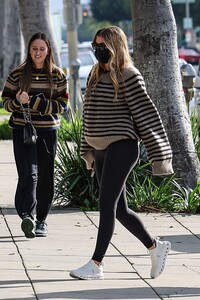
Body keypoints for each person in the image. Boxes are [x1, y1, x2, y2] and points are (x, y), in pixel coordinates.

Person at [69, 26, 174, 280]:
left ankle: (96, 264)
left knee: (106, 204)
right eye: (95, 46)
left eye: (102, 46)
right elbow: (89, 116)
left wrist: (160, 156)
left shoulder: (129, 74)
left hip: (122, 146)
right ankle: (155, 247)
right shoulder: (95, 74)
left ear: (115, 46)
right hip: (101, 148)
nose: (98, 51)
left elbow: (146, 115)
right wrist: (88, 150)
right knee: (119, 210)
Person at [2, 32, 68, 239]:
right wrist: (18, 102)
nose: (37, 53)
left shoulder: (58, 75)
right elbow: (5, 102)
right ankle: (26, 216)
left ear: (48, 50)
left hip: (48, 132)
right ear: (29, 50)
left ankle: (41, 220)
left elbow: (63, 107)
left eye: (41, 49)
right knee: (28, 174)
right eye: (34, 49)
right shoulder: (17, 75)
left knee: (45, 177)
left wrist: (34, 102)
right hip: (22, 130)